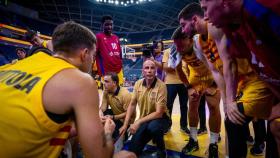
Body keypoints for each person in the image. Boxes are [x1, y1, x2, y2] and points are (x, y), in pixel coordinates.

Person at [0, 21, 116, 157]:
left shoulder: (15, 65)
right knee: (127, 155)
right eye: (93, 55)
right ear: (84, 54)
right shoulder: (81, 81)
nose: (93, 60)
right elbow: (98, 156)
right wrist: (107, 132)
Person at [178, 3, 274, 157]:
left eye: (183, 25)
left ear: (194, 19)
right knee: (232, 118)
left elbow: (229, 65)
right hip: (240, 84)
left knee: (238, 120)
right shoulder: (199, 42)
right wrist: (226, 100)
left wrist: (230, 101)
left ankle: (258, 142)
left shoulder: (216, 27)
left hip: (254, 79)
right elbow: (216, 71)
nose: (183, 30)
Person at [172, 27, 221, 158]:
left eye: (181, 45)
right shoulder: (175, 50)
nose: (178, 49)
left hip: (213, 75)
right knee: (192, 107)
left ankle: (213, 143)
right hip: (196, 77)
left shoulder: (201, 43)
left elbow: (221, 63)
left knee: (213, 106)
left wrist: (215, 85)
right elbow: (179, 71)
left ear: (189, 39)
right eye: (176, 45)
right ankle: (193, 140)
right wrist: (188, 87)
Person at [119, 59, 170, 158]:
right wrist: (125, 125)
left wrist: (138, 122)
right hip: (145, 120)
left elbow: (159, 113)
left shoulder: (161, 86)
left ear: (156, 71)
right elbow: (132, 104)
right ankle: (150, 135)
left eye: (152, 68)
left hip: (162, 119)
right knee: (133, 150)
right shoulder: (138, 84)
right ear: (142, 71)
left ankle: (162, 151)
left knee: (153, 127)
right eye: (147, 68)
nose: (149, 70)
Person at [100, 72, 135, 140]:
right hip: (115, 115)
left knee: (116, 136)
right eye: (104, 81)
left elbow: (129, 113)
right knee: (99, 118)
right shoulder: (107, 92)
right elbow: (103, 109)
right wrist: (100, 115)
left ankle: (122, 136)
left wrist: (113, 117)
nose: (104, 83)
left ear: (114, 83)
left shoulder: (125, 94)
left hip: (126, 120)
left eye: (107, 81)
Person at [95, 15, 124, 85]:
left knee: (120, 92)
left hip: (118, 71)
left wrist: (121, 67)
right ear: (102, 25)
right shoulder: (98, 37)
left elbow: (120, 55)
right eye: (107, 25)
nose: (109, 27)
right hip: (106, 72)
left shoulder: (116, 38)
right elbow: (94, 54)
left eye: (111, 24)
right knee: (108, 94)